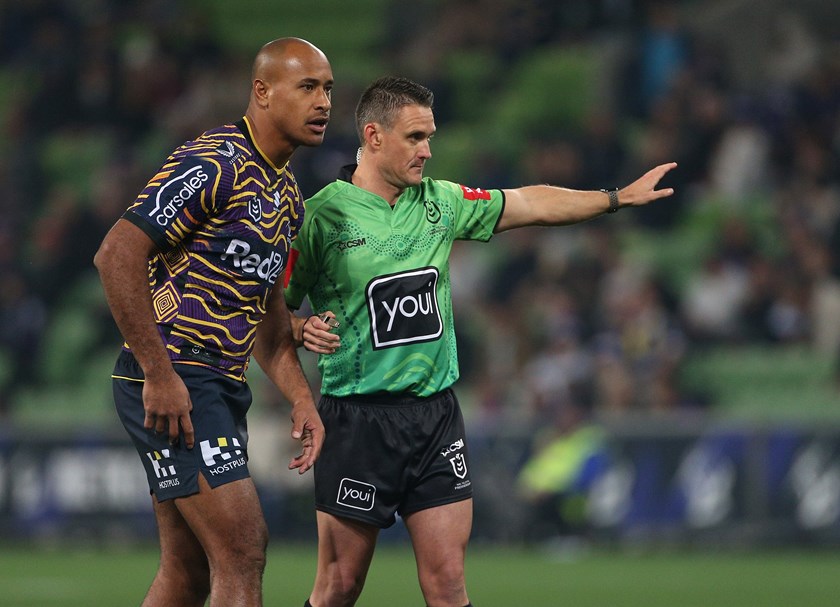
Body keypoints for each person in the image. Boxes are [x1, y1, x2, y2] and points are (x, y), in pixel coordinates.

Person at [284, 75, 677, 607]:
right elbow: (267, 308)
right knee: (339, 586)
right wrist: (296, 328)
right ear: (373, 136)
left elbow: (529, 203)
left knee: (447, 583)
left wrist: (615, 198)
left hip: (434, 418)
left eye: (430, 136)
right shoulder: (320, 217)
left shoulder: (442, 203)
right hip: (357, 420)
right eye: (415, 138)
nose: (427, 151)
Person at [93, 37, 332, 607]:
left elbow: (269, 320)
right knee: (243, 550)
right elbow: (117, 254)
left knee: (188, 573)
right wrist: (160, 373)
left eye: (327, 89)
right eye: (307, 87)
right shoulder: (215, 161)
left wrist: (301, 398)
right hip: (176, 377)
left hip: (217, 384)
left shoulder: (289, 195)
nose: (323, 101)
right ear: (262, 91)